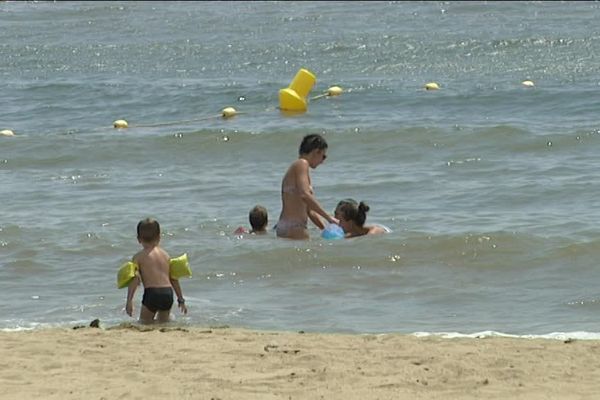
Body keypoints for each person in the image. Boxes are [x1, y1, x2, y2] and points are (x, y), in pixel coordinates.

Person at [125, 218, 187, 324]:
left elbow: (135, 279)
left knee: (145, 322)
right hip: (167, 293)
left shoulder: (138, 257)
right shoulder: (166, 255)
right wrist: (181, 299)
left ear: (138, 239)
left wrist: (129, 301)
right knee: (163, 322)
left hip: (152, 294)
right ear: (159, 237)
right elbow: (173, 279)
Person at [276, 134, 338, 239]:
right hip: (295, 227)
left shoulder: (298, 168)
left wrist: (325, 228)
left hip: (287, 226)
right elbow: (305, 194)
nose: (322, 161)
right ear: (316, 152)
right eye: (323, 156)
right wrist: (329, 218)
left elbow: (309, 210)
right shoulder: (302, 164)